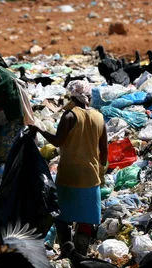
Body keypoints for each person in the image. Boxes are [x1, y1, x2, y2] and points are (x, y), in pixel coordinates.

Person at [28, 80, 108, 255]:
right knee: (86, 218)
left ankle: (66, 251)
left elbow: (57, 141)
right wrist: (101, 170)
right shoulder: (99, 117)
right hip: (91, 175)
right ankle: (81, 253)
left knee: (63, 216)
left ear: (72, 96)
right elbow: (104, 151)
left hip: (69, 175)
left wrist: (40, 129)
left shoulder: (70, 116)